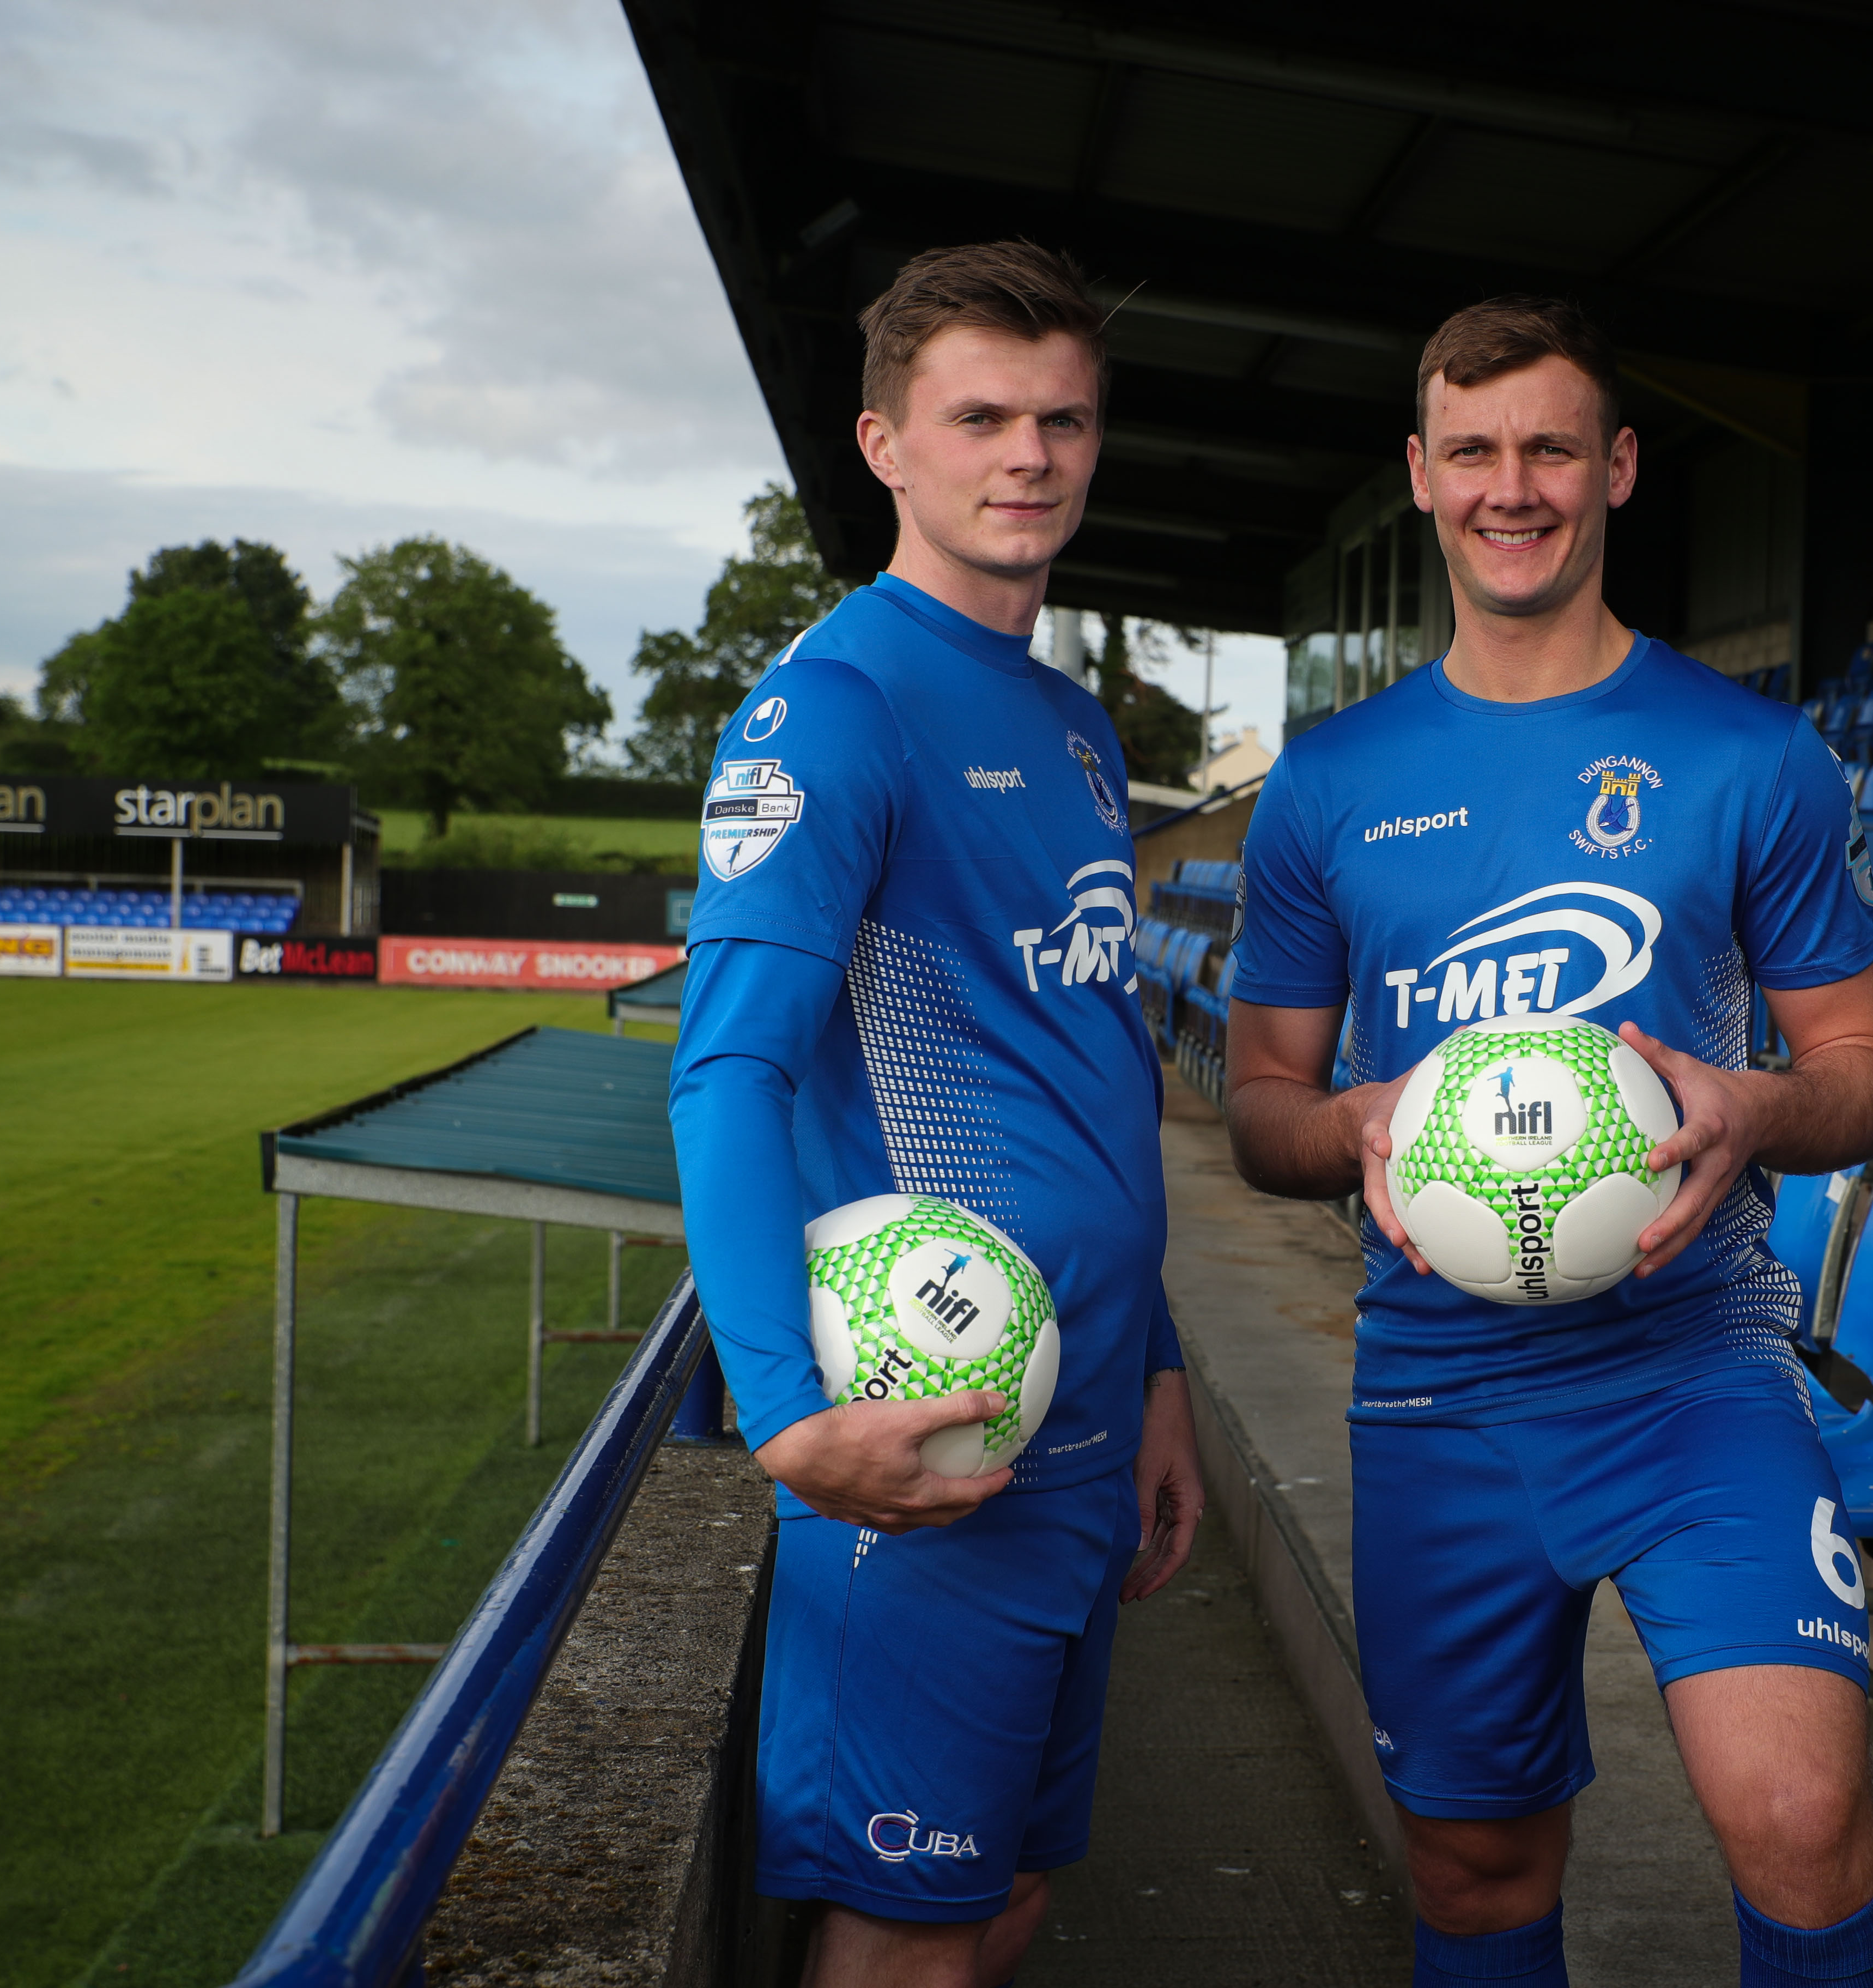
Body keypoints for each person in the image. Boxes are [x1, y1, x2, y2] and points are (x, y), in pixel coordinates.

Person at [1222, 295, 1873, 1988]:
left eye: (1548, 447)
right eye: (1472, 450)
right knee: (1473, 1866)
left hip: (1693, 1372)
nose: (1510, 486)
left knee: (1800, 1824)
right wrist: (1356, 1124)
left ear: (1615, 466)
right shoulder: (1329, 783)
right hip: (1441, 1390)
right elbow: (1258, 1108)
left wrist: (1751, 1104)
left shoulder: (1748, 755)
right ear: (1421, 475)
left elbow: (1859, 1072)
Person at [667, 239, 1201, 1988]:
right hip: (926, 1440)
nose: (1029, 455)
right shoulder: (834, 709)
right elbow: (727, 1070)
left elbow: (1091, 1078)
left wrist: (1165, 1376)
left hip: (1081, 1428)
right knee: (905, 1940)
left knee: (1010, 1904)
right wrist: (782, 1421)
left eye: (1064, 418)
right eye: (981, 417)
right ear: (888, 443)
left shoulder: (1074, 729)